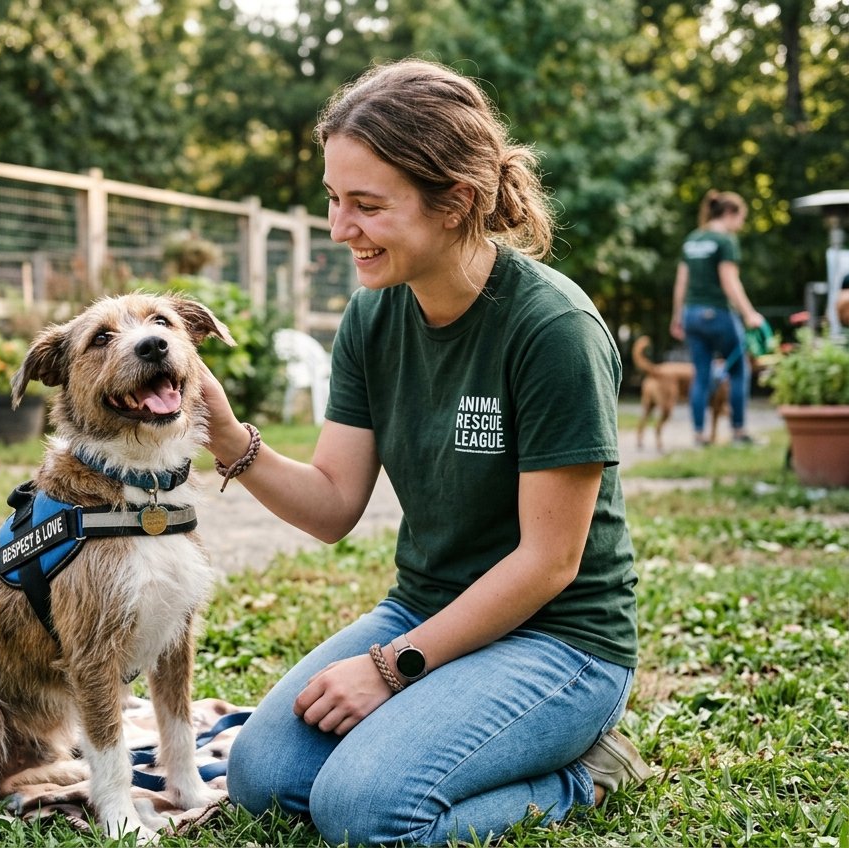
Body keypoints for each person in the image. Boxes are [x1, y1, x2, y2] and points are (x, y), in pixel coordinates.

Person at [201, 58, 652, 847]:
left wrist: (390, 669)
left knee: (365, 812)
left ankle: (584, 773)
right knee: (263, 780)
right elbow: (334, 505)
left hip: (562, 641)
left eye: (368, 206)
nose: (340, 229)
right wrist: (230, 438)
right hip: (426, 608)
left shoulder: (554, 331)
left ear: (457, 203)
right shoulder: (373, 318)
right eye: (334, 199)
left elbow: (549, 562)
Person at [669, 189, 765, 445]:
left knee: (701, 374)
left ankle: (699, 435)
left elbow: (681, 282)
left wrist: (677, 316)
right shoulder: (725, 241)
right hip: (718, 313)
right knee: (739, 370)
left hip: (692, 314)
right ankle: (739, 432)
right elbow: (729, 281)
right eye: (741, 218)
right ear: (730, 213)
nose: (741, 225)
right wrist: (750, 314)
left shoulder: (692, 239)